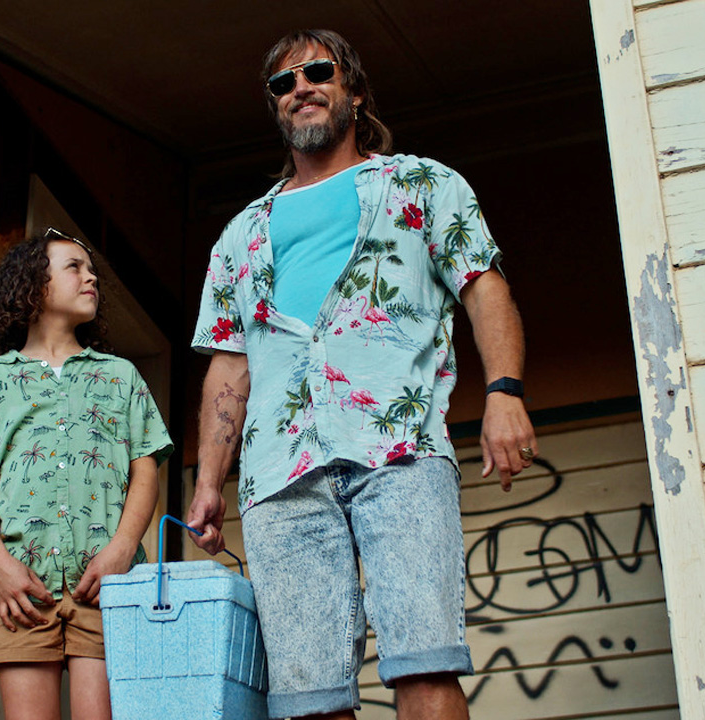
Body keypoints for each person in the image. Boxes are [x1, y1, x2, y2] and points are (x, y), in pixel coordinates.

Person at [186, 29, 537, 720]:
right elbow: (230, 363)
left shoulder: (421, 184)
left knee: (424, 663)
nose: (300, 88)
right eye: (282, 83)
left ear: (353, 89)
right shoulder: (241, 235)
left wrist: (504, 393)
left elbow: (483, 287)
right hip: (279, 474)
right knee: (308, 699)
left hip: (399, 449)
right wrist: (205, 481)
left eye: (317, 72)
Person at [0, 229, 172, 720]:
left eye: (91, 270)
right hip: (21, 590)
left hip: (107, 587)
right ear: (34, 284)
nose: (90, 277)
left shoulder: (120, 376)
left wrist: (120, 550)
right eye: (74, 266)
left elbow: (145, 471)